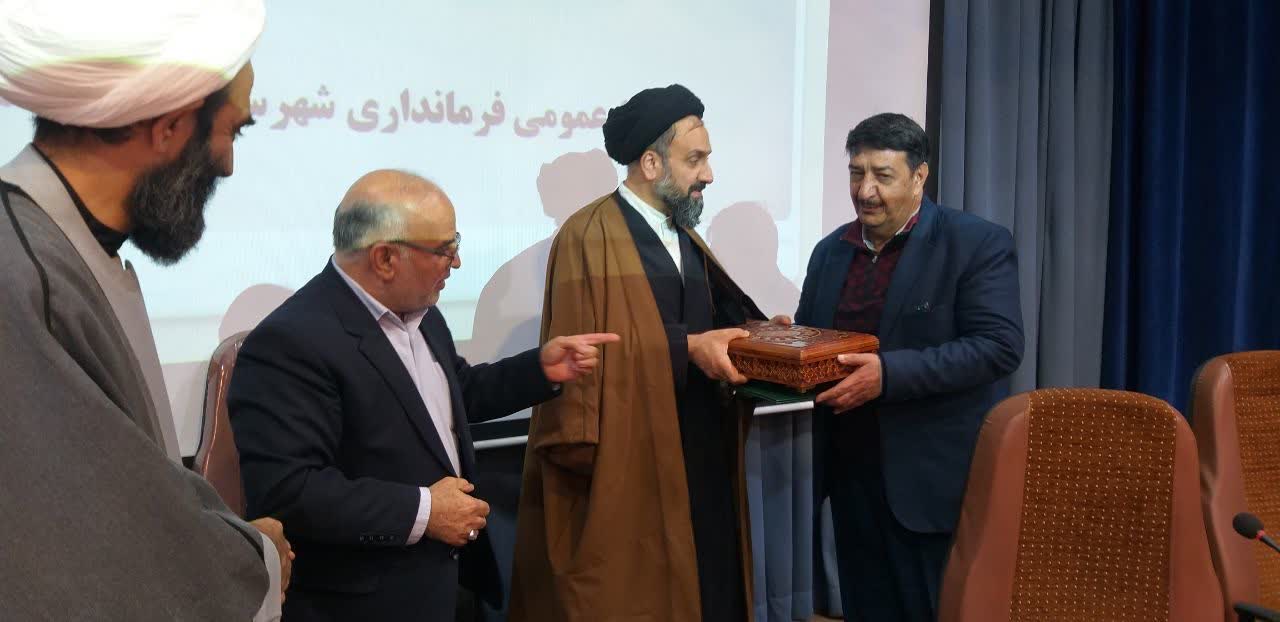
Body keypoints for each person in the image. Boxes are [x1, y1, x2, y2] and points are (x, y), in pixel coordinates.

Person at [0, 1, 292, 619]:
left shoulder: (55, 249)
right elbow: (92, 551)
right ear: (169, 125)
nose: (229, 163)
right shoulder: (23, 274)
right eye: (233, 131)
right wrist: (254, 558)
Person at [228, 170, 618, 621]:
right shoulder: (289, 343)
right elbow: (290, 491)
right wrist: (425, 511)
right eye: (444, 249)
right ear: (385, 258)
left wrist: (539, 369)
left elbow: (456, 396)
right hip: (366, 603)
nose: (456, 262)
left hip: (450, 581)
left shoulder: (420, 313)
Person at [509, 84, 765, 621]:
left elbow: (714, 322)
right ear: (651, 163)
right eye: (695, 160)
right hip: (628, 454)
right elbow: (584, 355)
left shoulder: (686, 236)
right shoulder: (587, 235)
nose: (709, 175)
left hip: (699, 442)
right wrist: (686, 348)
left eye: (707, 159)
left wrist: (763, 336)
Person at [795, 113, 1024, 621]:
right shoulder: (830, 252)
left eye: (883, 175)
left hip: (928, 482)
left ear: (920, 176)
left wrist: (888, 375)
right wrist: (785, 343)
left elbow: (998, 347)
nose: (865, 191)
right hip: (848, 475)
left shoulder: (975, 243)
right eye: (856, 173)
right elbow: (816, 342)